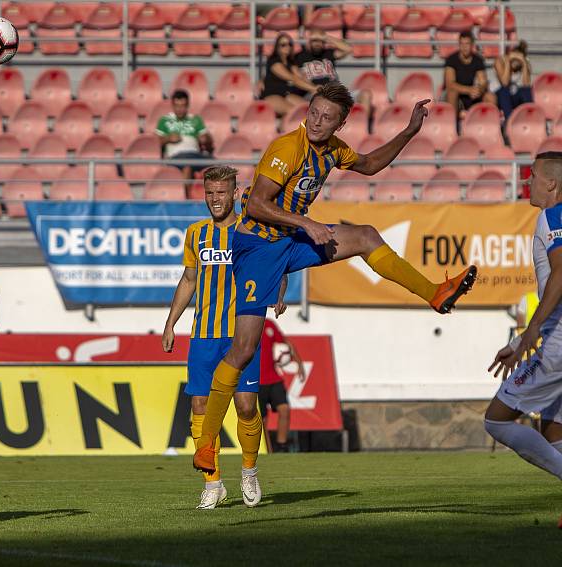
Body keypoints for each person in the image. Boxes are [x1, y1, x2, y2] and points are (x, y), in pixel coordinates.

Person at [192, 81, 478, 475]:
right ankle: (207, 443)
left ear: (341, 124)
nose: (316, 121)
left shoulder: (334, 151)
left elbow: (371, 165)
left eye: (327, 117)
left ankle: (435, 293)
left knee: (365, 237)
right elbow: (257, 204)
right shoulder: (286, 148)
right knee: (243, 350)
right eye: (313, 112)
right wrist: (308, 224)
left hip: (289, 239)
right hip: (255, 247)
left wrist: (410, 131)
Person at [163, 166, 286, 509]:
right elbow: (189, 280)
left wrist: (278, 290)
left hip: (240, 334)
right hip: (203, 336)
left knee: (246, 406)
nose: (215, 199)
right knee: (200, 406)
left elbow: (274, 266)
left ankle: (249, 470)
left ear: (234, 193)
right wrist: (171, 322)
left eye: (221, 193)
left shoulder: (251, 232)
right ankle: (212, 482)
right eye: (209, 193)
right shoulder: (196, 234)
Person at [485, 152, 562, 522]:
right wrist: (521, 341)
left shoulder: (553, 215)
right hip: (553, 337)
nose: (527, 182)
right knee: (552, 430)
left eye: (533, 177)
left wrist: (530, 331)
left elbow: (561, 274)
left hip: (558, 342)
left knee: (496, 420)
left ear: (552, 184)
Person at [259, 317, 305, 453]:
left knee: (284, 409)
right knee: (262, 420)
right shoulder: (242, 325)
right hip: (256, 381)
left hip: (273, 378)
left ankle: (282, 446)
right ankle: (267, 450)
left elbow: (286, 343)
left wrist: (299, 363)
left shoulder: (268, 324)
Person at [155, 90, 214, 181]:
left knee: (219, 165)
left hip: (195, 154)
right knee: (187, 167)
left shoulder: (195, 119)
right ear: (172, 105)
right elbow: (154, 143)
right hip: (176, 156)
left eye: (183, 106)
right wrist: (167, 139)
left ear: (187, 105)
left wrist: (205, 138)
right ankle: (186, 194)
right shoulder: (164, 120)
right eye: (177, 106)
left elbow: (208, 138)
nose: (179, 109)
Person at [260, 33, 318, 116]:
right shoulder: (273, 61)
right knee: (294, 112)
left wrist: (316, 89)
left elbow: (301, 78)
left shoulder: (291, 62)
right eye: (283, 45)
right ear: (277, 47)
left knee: (309, 109)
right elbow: (293, 79)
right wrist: (314, 88)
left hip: (286, 94)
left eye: (290, 44)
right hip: (272, 95)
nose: (287, 47)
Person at [444, 31, 496, 117]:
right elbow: (450, 84)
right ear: (459, 45)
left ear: (472, 45)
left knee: (490, 97)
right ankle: (452, 127)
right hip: (457, 96)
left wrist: (479, 90)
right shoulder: (451, 60)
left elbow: (483, 82)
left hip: (472, 96)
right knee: (452, 93)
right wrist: (469, 90)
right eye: (462, 44)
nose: (464, 47)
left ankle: (488, 125)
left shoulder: (478, 60)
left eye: (467, 44)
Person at [493, 40, 532, 121]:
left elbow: (526, 85)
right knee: (504, 91)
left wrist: (524, 63)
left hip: (514, 96)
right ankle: (510, 121)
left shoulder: (525, 64)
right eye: (514, 59)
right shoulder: (500, 61)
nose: (515, 63)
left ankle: (529, 119)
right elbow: (505, 83)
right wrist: (508, 62)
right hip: (499, 96)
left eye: (518, 60)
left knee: (528, 91)